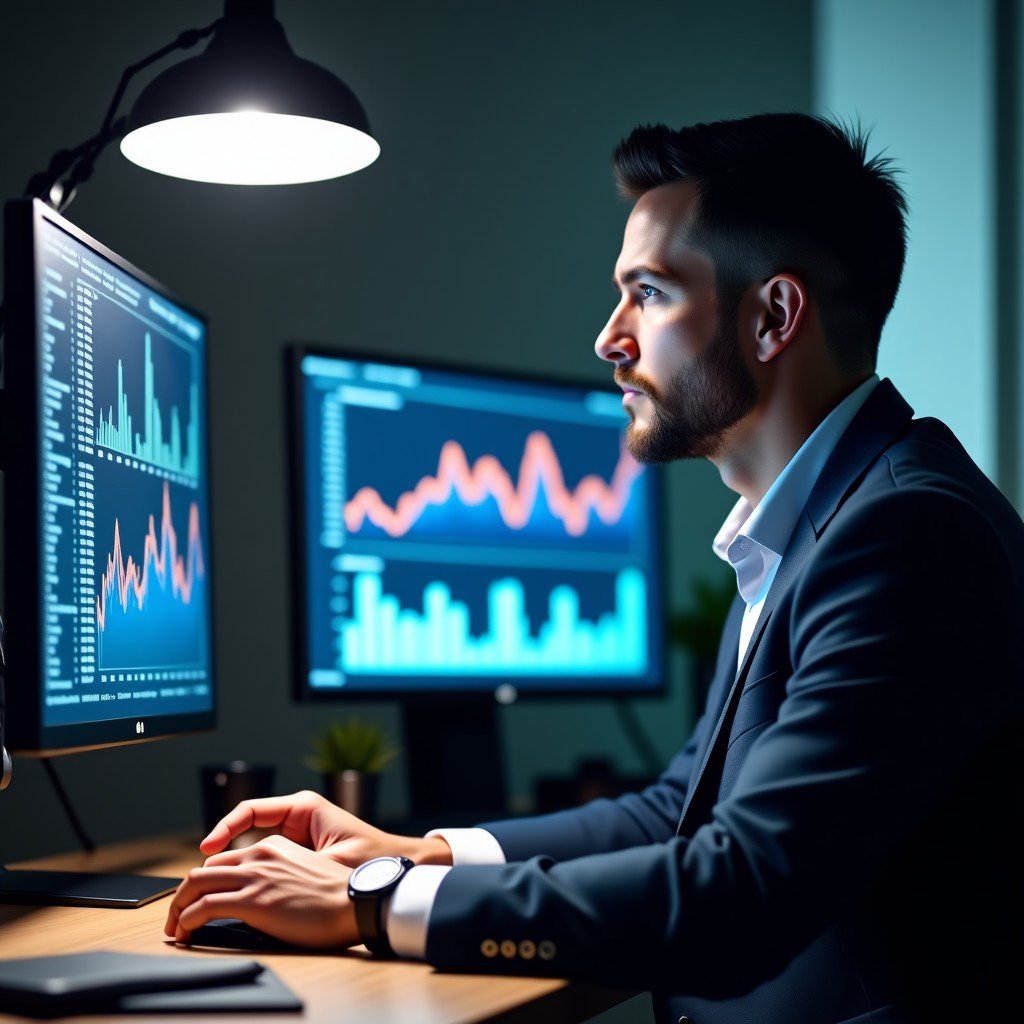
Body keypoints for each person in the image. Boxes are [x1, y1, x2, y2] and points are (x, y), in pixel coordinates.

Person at [165, 113, 1024, 1024]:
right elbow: (675, 813)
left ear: (773, 316)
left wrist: (371, 905)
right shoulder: (816, 521)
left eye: (648, 293)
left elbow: (747, 891)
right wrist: (422, 853)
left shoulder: (904, 533)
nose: (610, 337)